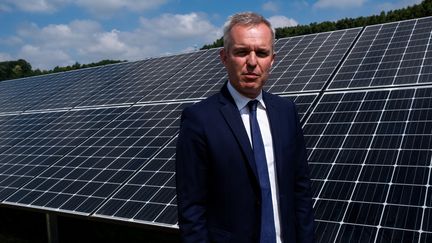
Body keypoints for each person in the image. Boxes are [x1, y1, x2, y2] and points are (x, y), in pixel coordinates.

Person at [176, 12, 315, 243]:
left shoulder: (286, 111)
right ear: (224, 57)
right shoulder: (199, 119)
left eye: (261, 53)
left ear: (272, 59)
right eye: (241, 52)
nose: (252, 62)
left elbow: (300, 189)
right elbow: (192, 208)